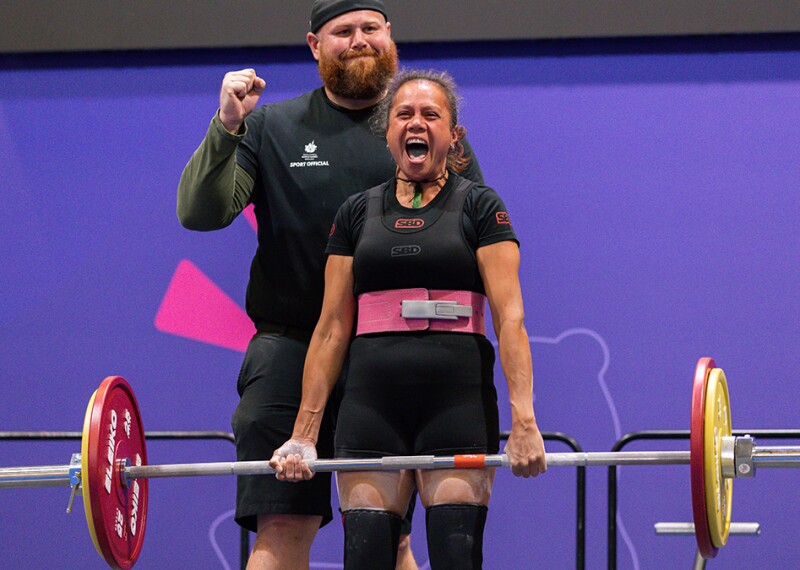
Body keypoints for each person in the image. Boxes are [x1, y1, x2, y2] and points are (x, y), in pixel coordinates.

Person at [177, 1, 484, 568]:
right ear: (316, 46)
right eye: (344, 32)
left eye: (371, 28)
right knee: (282, 523)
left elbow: (474, 244)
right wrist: (226, 127)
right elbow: (200, 213)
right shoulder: (269, 127)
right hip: (289, 350)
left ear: (390, 37)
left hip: (387, 356)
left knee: (387, 532)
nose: (360, 40)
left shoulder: (424, 132)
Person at [269, 69, 547, 569]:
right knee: (368, 558)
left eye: (430, 114)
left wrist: (523, 421)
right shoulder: (356, 213)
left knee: (456, 558)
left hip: (456, 403)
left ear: (453, 136)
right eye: (404, 114)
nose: (416, 122)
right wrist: (304, 435)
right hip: (371, 406)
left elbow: (511, 319)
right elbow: (332, 328)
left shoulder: (481, 207)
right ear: (389, 132)